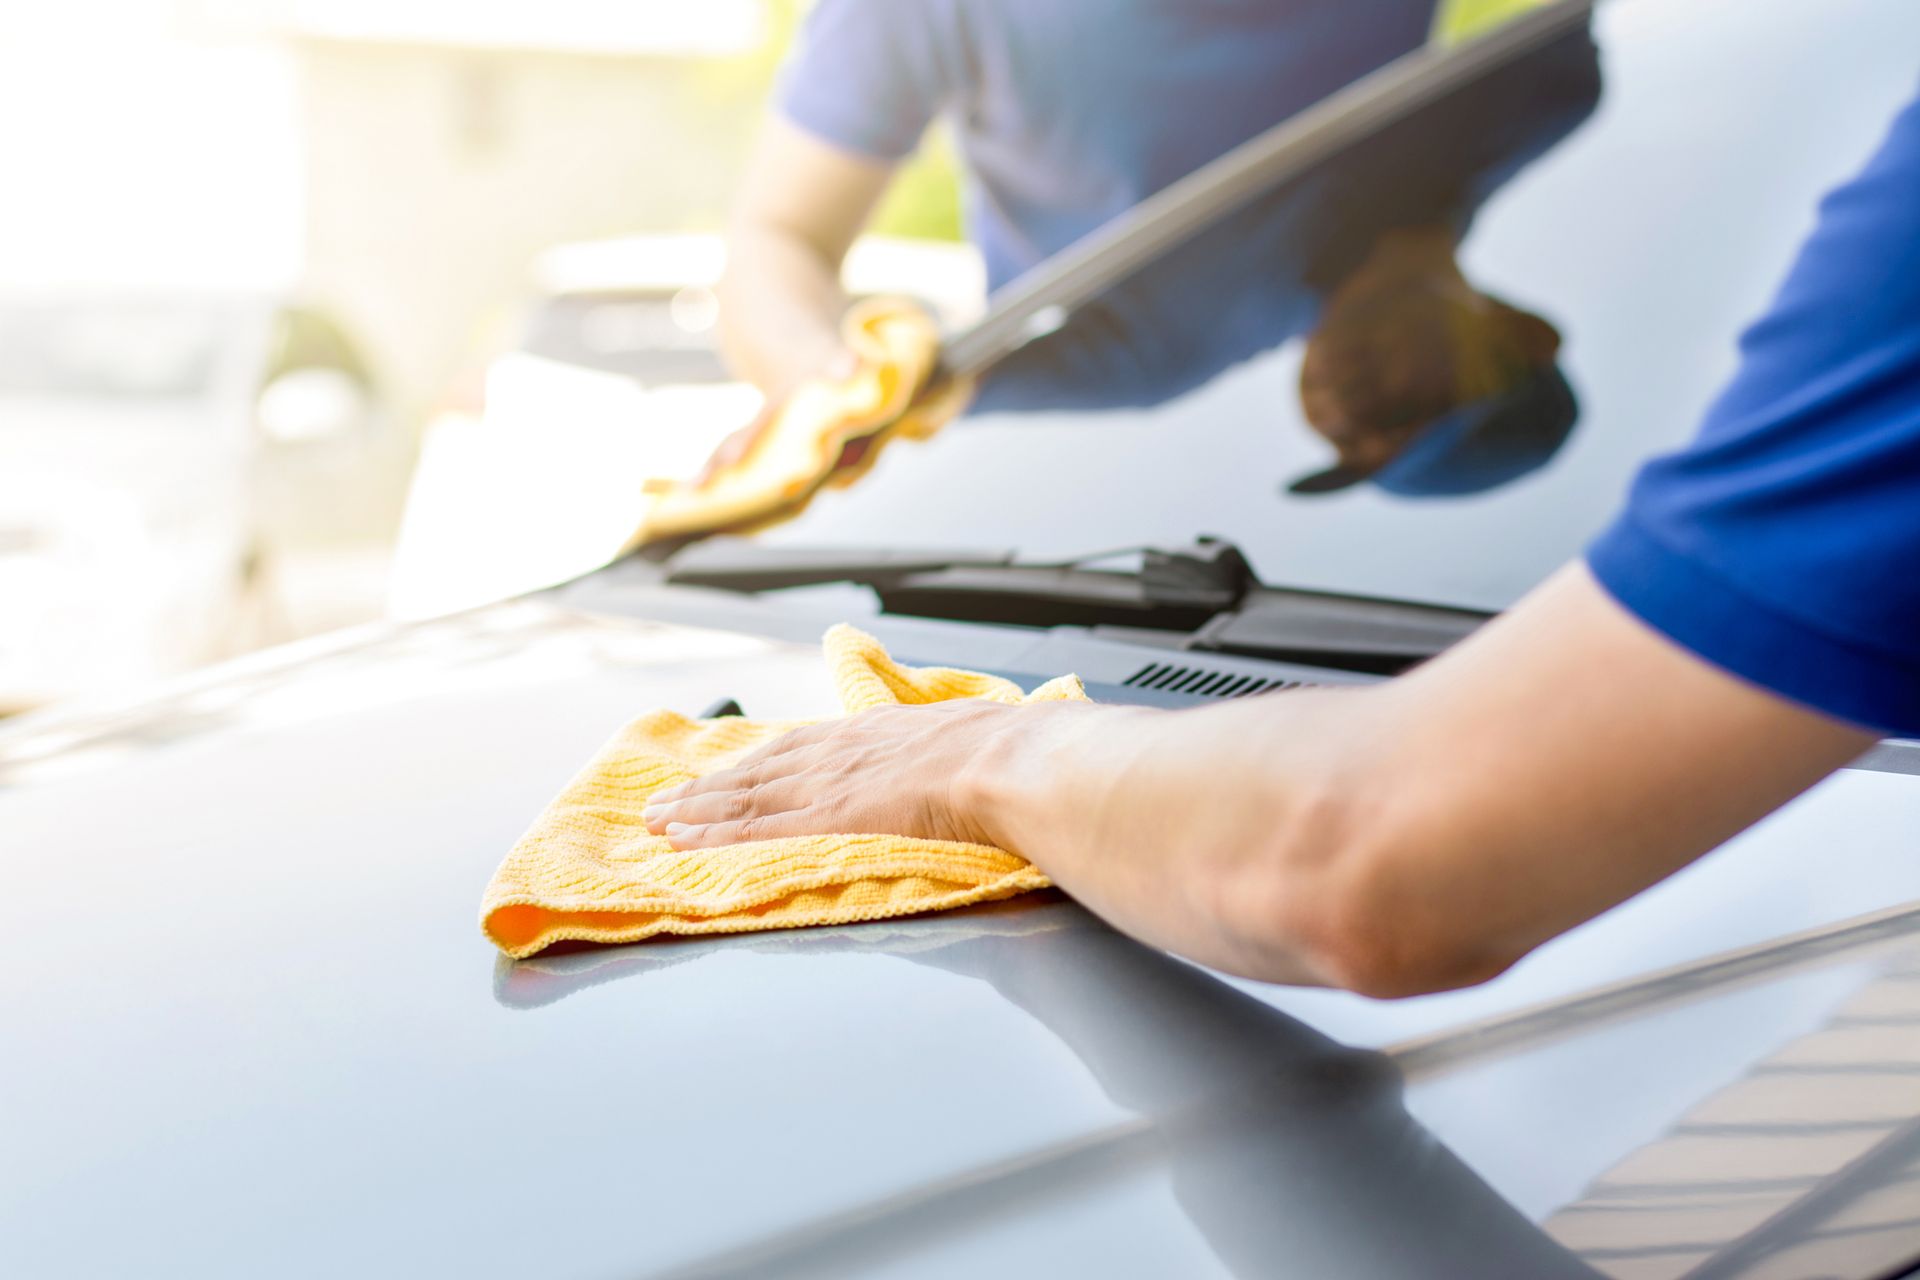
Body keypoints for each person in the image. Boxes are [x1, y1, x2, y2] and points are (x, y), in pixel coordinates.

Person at [641, 85, 1920, 999]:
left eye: (1390, 432)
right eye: (1394, 423)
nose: (1354, 413)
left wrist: (989, 744)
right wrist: (816, 407)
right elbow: (870, 393)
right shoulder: (1536, 92)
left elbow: (1365, 858)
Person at [713, 0, 1600, 495]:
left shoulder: (1146, 356)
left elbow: (908, 401)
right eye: (1414, 412)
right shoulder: (1548, 99)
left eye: (1345, 449)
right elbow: (778, 240)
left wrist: (842, 409)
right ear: (1527, 335)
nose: (1346, 417)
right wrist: (812, 380)